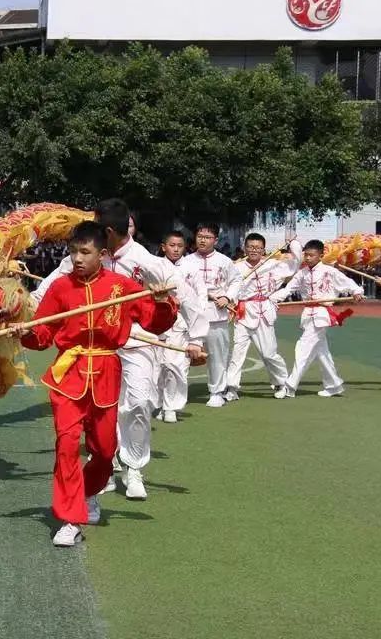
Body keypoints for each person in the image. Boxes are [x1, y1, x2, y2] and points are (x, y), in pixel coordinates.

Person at [30, 201, 207, 501]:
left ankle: (134, 467)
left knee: (138, 404)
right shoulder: (84, 254)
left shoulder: (146, 261)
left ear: (109, 232)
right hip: (89, 348)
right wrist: (28, 310)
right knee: (97, 413)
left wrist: (197, 339)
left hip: (136, 340)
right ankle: (104, 465)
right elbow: (52, 286)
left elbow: (184, 295)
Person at [20, 221, 177, 547]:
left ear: (102, 254)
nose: (77, 259)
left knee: (105, 452)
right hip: (68, 375)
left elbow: (155, 321)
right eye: (73, 252)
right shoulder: (61, 288)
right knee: (66, 446)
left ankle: (90, 492)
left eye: (85, 252)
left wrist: (162, 302)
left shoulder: (122, 286)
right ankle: (69, 518)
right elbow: (43, 334)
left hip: (106, 372)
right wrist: (24, 332)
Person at [270, 240, 363, 398]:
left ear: (321, 255)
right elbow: (288, 289)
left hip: (321, 313)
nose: (307, 258)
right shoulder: (302, 273)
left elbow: (347, 283)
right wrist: (271, 298)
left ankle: (290, 387)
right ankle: (334, 385)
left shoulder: (329, 271)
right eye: (306, 255)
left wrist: (356, 290)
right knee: (321, 352)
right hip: (308, 314)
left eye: (311, 255)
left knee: (302, 349)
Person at [224, 234, 301, 399]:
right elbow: (225, 286)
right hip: (243, 312)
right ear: (245, 248)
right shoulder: (235, 267)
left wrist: (293, 244)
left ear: (263, 250)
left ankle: (281, 382)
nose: (254, 250)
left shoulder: (272, 264)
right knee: (237, 352)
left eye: (258, 248)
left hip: (264, 312)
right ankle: (231, 387)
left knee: (269, 353)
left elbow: (295, 264)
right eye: (251, 247)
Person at [178, 222, 241, 408]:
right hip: (190, 315)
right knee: (182, 355)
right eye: (200, 236)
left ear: (215, 239)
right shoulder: (185, 261)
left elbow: (236, 280)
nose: (203, 240)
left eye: (207, 237)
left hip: (216, 313)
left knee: (217, 355)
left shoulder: (224, 261)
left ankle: (217, 392)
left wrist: (227, 296)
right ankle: (177, 394)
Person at [156, 231, 208, 423]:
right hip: (158, 322)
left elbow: (201, 293)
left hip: (183, 322)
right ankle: (160, 403)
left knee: (176, 365)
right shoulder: (155, 265)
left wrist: (198, 317)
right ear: (164, 247)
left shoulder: (191, 267)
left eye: (180, 246)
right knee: (158, 366)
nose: (176, 249)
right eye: (172, 245)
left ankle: (171, 407)